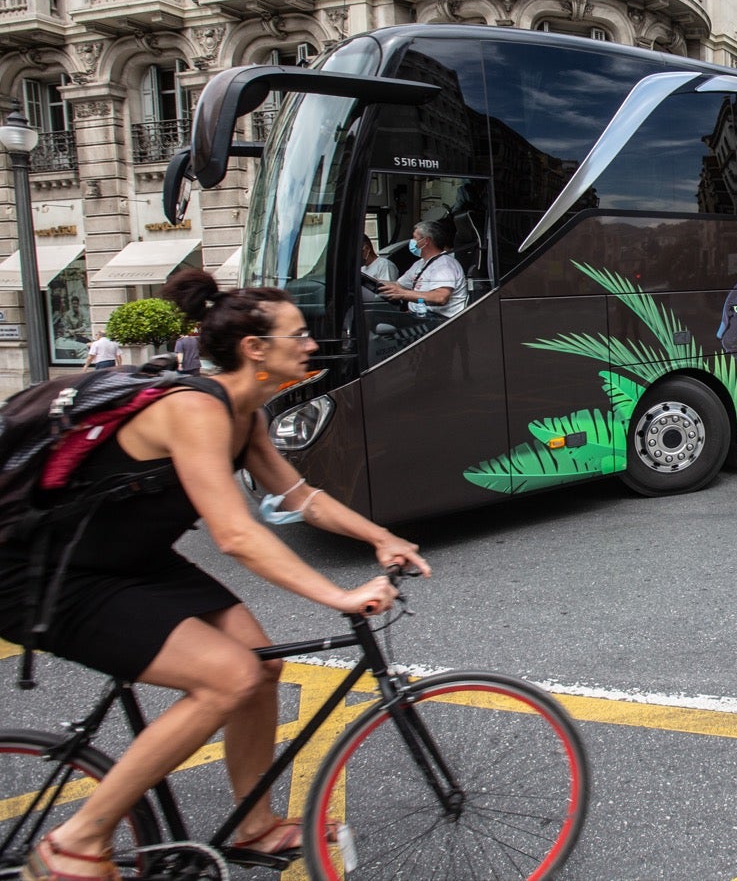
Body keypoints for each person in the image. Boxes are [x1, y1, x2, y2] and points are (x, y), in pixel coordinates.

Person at [0, 269, 430, 880]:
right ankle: (75, 841)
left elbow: (299, 495)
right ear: (257, 349)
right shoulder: (194, 408)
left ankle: (254, 826)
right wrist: (339, 593)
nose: (311, 345)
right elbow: (234, 536)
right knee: (230, 677)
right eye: (298, 335)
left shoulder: (244, 414)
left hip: (130, 562)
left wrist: (379, 536)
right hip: (51, 576)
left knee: (262, 662)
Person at [377, 219, 467, 320]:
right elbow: (399, 285)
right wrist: (371, 282)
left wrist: (401, 294)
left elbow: (440, 297)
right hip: (419, 316)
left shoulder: (444, 265)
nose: (412, 242)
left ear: (426, 241)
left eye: (415, 238)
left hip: (439, 321)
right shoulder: (420, 263)